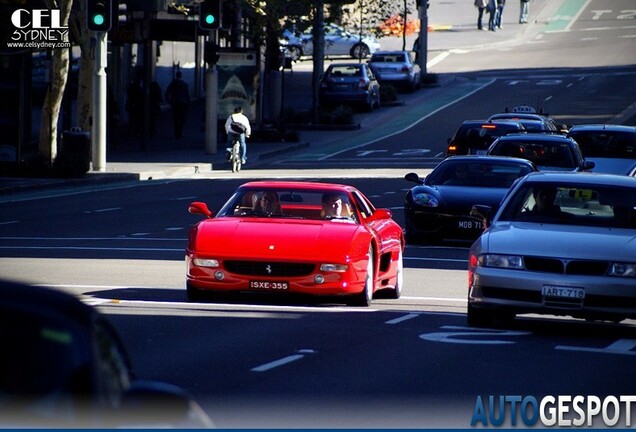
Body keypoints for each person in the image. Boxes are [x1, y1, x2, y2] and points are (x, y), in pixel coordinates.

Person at [164, 71, 190, 139]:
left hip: (175, 103)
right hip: (183, 103)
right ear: (181, 76)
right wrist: (188, 102)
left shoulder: (173, 84)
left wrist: (169, 101)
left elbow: (167, 92)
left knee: (176, 118)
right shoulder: (184, 84)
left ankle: (176, 132)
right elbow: (187, 95)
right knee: (182, 118)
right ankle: (180, 132)